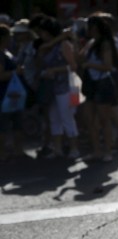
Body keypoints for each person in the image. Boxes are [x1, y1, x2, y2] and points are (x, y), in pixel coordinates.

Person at [81, 15, 118, 162]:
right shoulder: (91, 43)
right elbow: (79, 57)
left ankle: (108, 150)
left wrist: (90, 65)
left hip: (102, 83)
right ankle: (97, 150)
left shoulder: (105, 43)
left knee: (104, 119)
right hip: (90, 83)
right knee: (90, 119)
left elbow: (107, 66)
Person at [37, 16, 80, 159]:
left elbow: (73, 66)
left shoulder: (64, 45)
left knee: (67, 117)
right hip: (51, 87)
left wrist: (55, 70)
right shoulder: (46, 46)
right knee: (54, 118)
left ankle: (74, 147)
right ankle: (58, 148)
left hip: (65, 86)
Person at [0, 24, 25, 161]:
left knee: (17, 123)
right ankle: (2, 152)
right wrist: (16, 72)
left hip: (14, 94)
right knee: (3, 125)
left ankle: (18, 150)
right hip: (3, 94)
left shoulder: (7, 53)